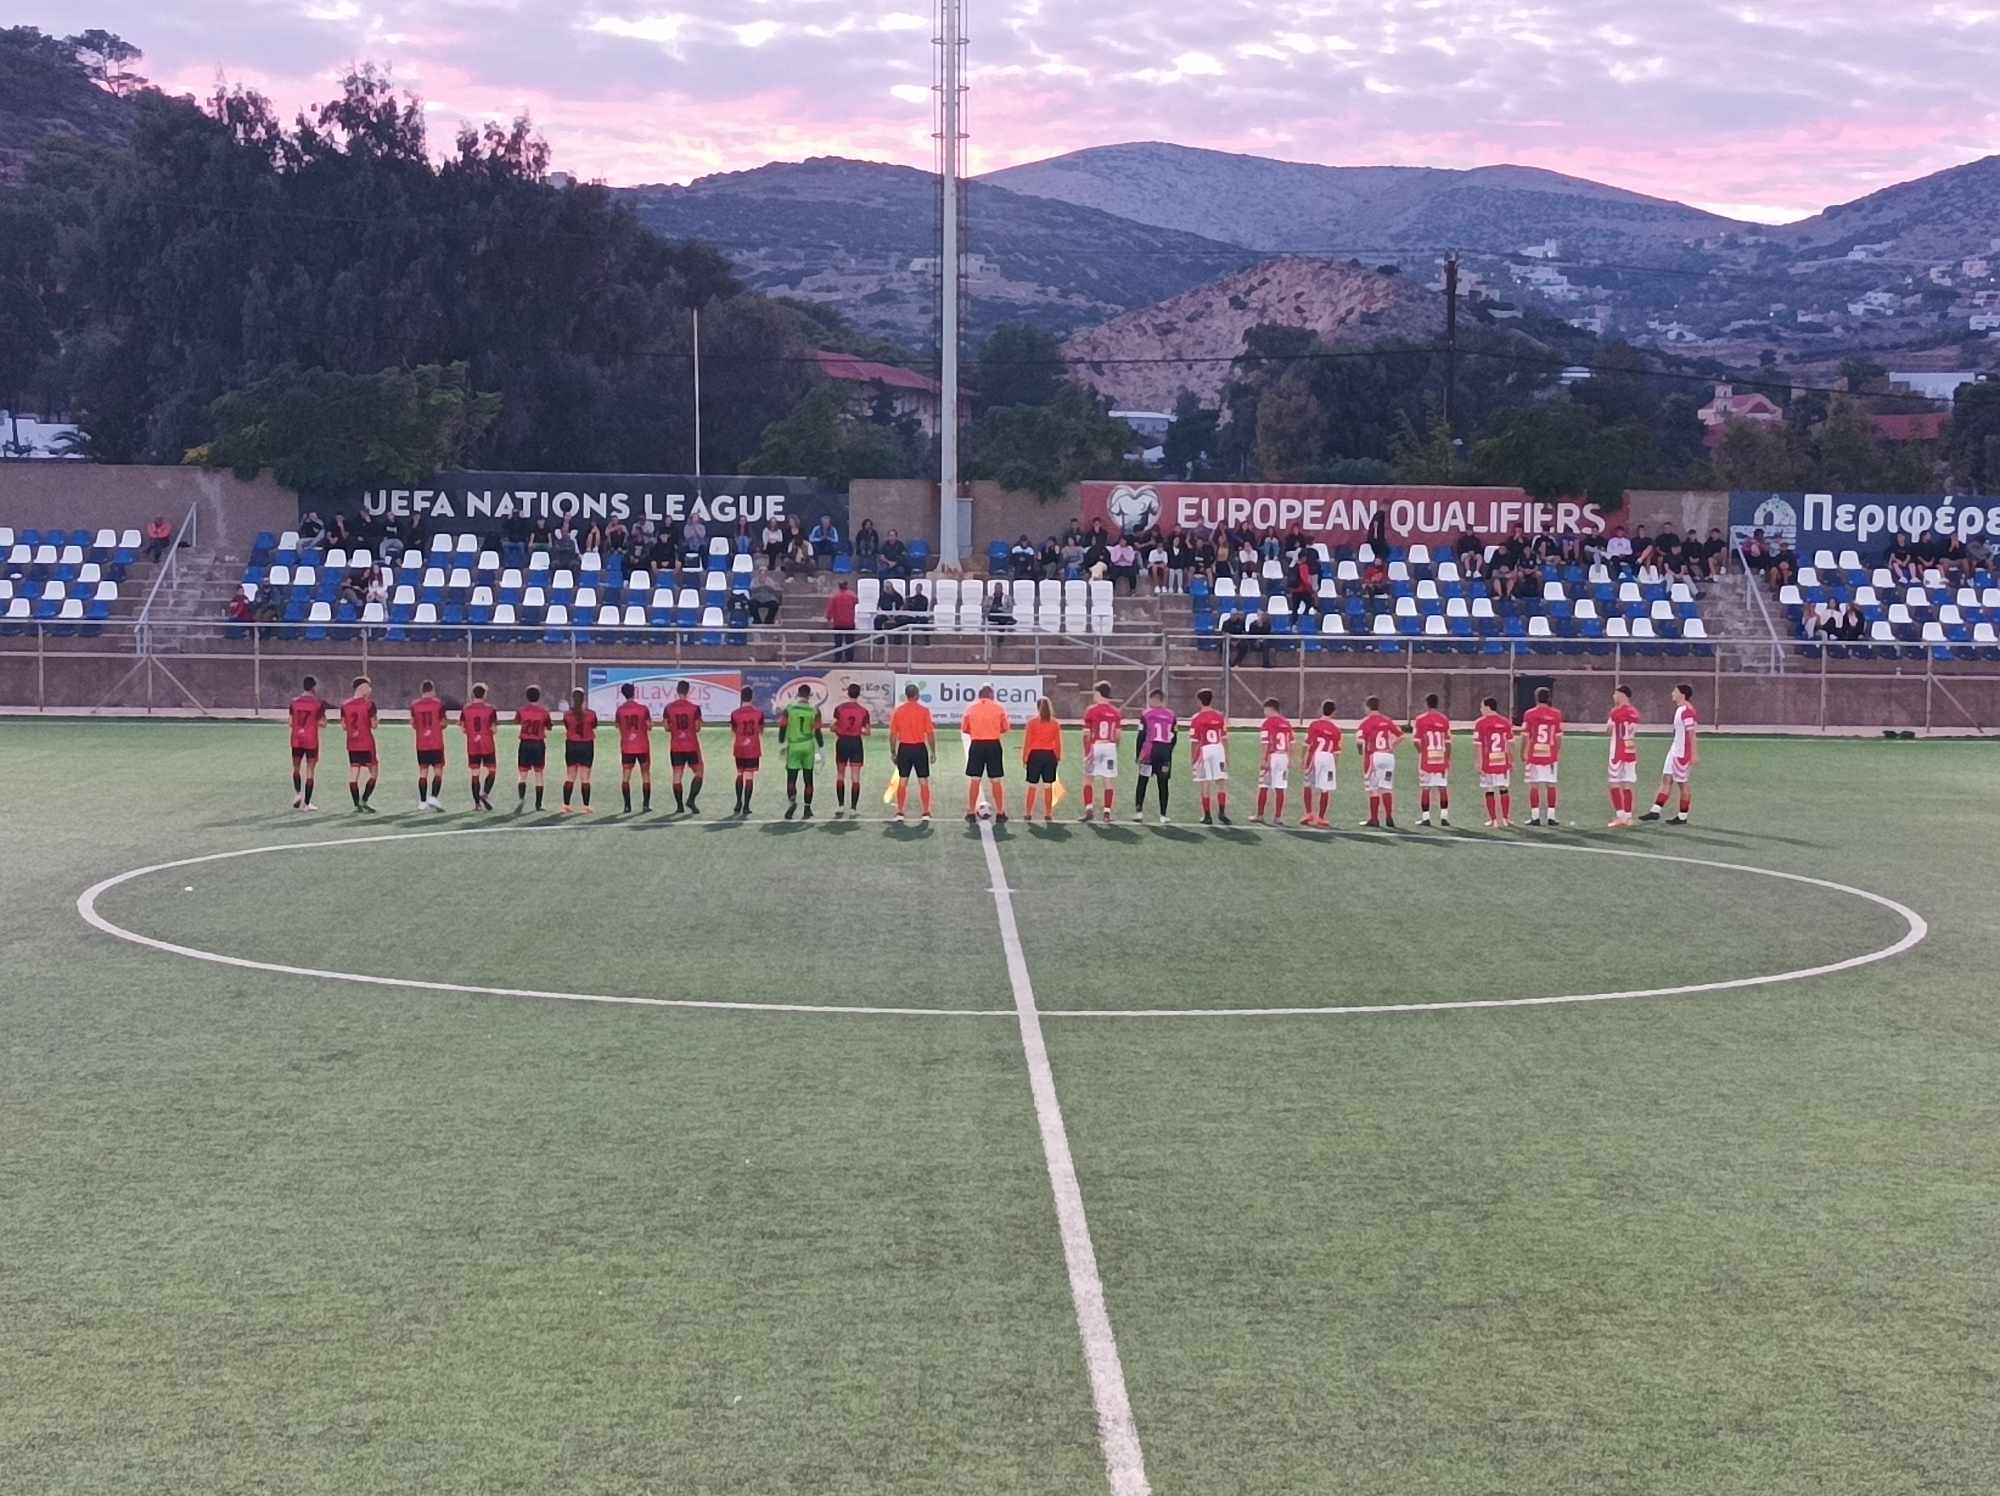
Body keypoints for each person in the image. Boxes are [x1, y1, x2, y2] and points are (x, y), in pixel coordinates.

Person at [1640, 683, 1698, 824]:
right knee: (1666, 779)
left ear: (1682, 694)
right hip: (1675, 750)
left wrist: (1693, 753)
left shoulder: (1687, 711)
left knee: (1682, 783)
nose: (1672, 693)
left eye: (1675, 691)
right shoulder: (1680, 709)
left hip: (1682, 753)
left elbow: (1691, 733)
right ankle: (1655, 811)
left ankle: (1682, 816)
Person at [960, 684, 1010, 823]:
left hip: (977, 745)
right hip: (993, 745)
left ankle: (971, 812)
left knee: (975, 779)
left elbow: (964, 728)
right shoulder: (999, 708)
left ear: (980, 695)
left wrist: (977, 731)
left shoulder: (971, 708)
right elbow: (1005, 728)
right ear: (991, 695)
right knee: (996, 780)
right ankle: (1000, 812)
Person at [889, 683, 937, 822]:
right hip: (919, 748)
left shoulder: (898, 711)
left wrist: (893, 752)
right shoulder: (924, 711)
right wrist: (933, 751)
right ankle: (926, 812)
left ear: (906, 695)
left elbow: (893, 734)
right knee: (923, 780)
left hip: (904, 748)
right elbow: (930, 733)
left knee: (903, 780)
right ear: (917, 695)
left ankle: (900, 812)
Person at [1131, 688, 1178, 824]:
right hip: (1164, 753)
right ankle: (1163, 815)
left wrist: (1138, 754)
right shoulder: (1171, 715)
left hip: (1149, 752)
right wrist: (1169, 751)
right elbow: (1174, 736)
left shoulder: (1146, 714)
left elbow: (1141, 735)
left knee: (1143, 781)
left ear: (1155, 699)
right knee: (1163, 784)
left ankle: (1139, 812)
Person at [1079, 682, 1124, 823]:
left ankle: (1089, 810)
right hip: (1110, 747)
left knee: (1088, 778)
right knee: (1108, 780)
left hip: (1096, 746)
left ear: (1098, 693)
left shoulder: (1091, 710)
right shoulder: (1116, 712)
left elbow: (1086, 734)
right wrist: (1114, 750)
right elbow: (1118, 735)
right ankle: (1107, 813)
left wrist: (1087, 752)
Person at [1356, 696, 1403, 829]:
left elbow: (1359, 741)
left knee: (1374, 789)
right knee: (1386, 788)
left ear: (1368, 707)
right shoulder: (1387, 720)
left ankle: (1374, 819)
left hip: (1374, 756)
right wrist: (1391, 747)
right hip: (1388, 757)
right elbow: (1401, 735)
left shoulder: (1366, 722)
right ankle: (1389, 816)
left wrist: (1360, 752)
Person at [1521, 686, 1565, 826]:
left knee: (1534, 785)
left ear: (1536, 698)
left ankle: (1535, 817)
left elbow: (1525, 735)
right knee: (1551, 785)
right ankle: (1551, 817)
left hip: (1534, 754)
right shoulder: (1556, 714)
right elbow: (1558, 737)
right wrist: (1557, 752)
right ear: (1549, 698)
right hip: (1550, 754)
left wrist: (1523, 751)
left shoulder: (1529, 714)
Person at [778, 684, 823, 820]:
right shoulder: (815, 710)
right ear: (809, 695)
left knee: (791, 778)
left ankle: (792, 801)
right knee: (808, 779)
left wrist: (781, 742)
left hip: (794, 746)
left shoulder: (789, 709)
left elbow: (782, 727)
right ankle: (807, 809)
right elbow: (818, 731)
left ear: (798, 694)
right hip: (808, 745)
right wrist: (821, 747)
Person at [1189, 688, 1231, 826]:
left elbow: (1194, 741)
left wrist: (1193, 759)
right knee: (1221, 782)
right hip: (1218, 749)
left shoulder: (1196, 718)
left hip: (1205, 750)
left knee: (1205, 783)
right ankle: (1222, 813)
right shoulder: (1219, 716)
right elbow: (1224, 738)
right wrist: (1226, 756)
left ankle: (1207, 816)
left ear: (1199, 701)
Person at [1411, 692, 1453, 829]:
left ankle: (1426, 818)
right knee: (1442, 787)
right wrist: (1447, 759)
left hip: (1427, 759)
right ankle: (1444, 817)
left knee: (1426, 788)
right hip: (1440, 758)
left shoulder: (1420, 719)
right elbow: (1448, 742)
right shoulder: (1444, 719)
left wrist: (1422, 752)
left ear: (1426, 704)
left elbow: (1415, 741)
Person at [664, 679, 705, 814]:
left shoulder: (669, 708)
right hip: (691, 745)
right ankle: (691, 800)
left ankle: (679, 806)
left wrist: (676, 730)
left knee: (677, 775)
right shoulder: (694, 708)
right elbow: (697, 728)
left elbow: (666, 727)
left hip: (676, 746)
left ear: (677, 691)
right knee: (699, 772)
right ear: (688, 691)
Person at [1473, 697, 1515, 828]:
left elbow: (1478, 746)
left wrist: (1478, 763)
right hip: (1502, 761)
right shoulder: (1506, 722)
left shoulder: (1480, 723)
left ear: (1487, 707)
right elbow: (1510, 744)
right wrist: (1511, 761)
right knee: (1504, 788)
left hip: (1488, 762)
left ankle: (1493, 820)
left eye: (1482, 707)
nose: (1480, 709)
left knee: (1489, 789)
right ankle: (1506, 819)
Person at [340, 676, 380, 813]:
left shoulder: (345, 705)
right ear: (362, 688)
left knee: (354, 773)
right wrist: (375, 721)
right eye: (368, 687)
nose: (370, 690)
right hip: (366, 743)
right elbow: (374, 725)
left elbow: (344, 726)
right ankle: (364, 800)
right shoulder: (369, 704)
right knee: (374, 773)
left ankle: (356, 804)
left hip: (352, 744)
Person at [288, 675, 328, 811]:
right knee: (310, 770)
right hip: (311, 740)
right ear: (313, 687)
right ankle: (307, 804)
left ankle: (298, 794)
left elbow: (290, 722)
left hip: (296, 739)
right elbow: (323, 723)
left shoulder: (294, 702)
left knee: (296, 767)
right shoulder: (318, 703)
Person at [1252, 698, 1294, 825]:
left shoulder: (1267, 723)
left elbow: (1266, 743)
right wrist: (1290, 759)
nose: (1264, 713)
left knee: (1264, 786)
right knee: (1280, 788)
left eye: (1265, 710)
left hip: (1272, 756)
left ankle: (1259, 815)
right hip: (1283, 757)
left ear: (1270, 709)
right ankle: (1278, 817)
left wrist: (1264, 760)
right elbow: (1291, 743)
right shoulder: (1287, 723)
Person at [831, 682, 871, 814]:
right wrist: (858, 729)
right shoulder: (864, 711)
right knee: (855, 777)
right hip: (855, 743)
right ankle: (853, 808)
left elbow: (833, 727)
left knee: (840, 774)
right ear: (859, 694)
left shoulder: (839, 708)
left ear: (848, 693)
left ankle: (840, 806)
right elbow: (867, 732)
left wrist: (840, 729)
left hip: (842, 742)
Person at [1605, 684, 1642, 829]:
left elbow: (1608, 730)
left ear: (1621, 695)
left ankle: (1620, 816)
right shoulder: (1634, 712)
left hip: (1617, 752)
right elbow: (1633, 729)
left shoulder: (1615, 711)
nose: (1613, 696)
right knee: (1628, 784)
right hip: (1630, 750)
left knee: (1614, 783)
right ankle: (1628, 817)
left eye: (1615, 694)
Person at [1302, 700, 1342, 829]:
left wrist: (1303, 759)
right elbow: (1336, 752)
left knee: (1308, 784)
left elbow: (1307, 744)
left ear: (1321, 709)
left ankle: (1308, 813)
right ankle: (1321, 817)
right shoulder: (1336, 730)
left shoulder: (1314, 725)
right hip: (1328, 758)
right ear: (1334, 712)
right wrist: (1334, 767)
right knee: (1325, 788)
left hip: (1314, 756)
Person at [1022, 698, 1063, 825]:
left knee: (1032, 785)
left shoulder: (1032, 723)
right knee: (1048, 786)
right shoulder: (1055, 723)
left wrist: (1024, 757)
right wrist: (1058, 756)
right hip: (1049, 755)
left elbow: (1027, 742)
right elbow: (1058, 743)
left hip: (1035, 755)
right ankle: (1048, 813)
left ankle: (1028, 813)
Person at [410, 679, 449, 812]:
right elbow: (443, 723)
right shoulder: (439, 704)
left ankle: (422, 802)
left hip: (422, 743)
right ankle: (433, 797)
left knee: (423, 772)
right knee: (438, 771)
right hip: (436, 742)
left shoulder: (414, 705)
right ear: (432, 690)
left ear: (422, 690)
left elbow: (413, 724)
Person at [614, 682, 654, 814]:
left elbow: (618, 726)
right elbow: (649, 726)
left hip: (627, 746)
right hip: (642, 746)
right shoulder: (643, 709)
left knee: (626, 776)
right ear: (634, 692)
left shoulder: (620, 710)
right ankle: (646, 805)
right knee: (645, 774)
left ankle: (627, 806)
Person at [461, 683, 500, 811]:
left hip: (473, 745)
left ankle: (477, 804)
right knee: (492, 770)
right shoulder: (490, 709)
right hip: (487, 744)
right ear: (484, 694)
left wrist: (472, 733)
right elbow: (494, 729)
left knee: (475, 773)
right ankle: (485, 793)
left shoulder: (466, 709)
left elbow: (463, 728)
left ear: (473, 694)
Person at [560, 687, 598, 813]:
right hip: (586, 745)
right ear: (583, 699)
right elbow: (594, 725)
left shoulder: (567, 714)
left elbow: (567, 726)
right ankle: (585, 807)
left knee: (570, 776)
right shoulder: (591, 714)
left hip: (571, 744)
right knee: (585, 777)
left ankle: (565, 805)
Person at [729, 686, 765, 816]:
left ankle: (738, 802)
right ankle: (746, 806)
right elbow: (761, 731)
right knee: (749, 776)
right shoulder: (759, 713)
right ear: (752, 697)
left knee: (739, 774)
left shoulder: (734, 714)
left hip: (739, 747)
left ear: (741, 697)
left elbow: (733, 730)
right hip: (753, 748)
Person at [515, 685, 552, 812]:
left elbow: (517, 721)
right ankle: (538, 804)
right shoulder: (544, 711)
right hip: (538, 744)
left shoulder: (522, 710)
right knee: (539, 774)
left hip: (525, 743)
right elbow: (549, 726)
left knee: (522, 774)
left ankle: (521, 799)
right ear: (539, 696)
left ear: (527, 697)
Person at [826, 581, 859, 662]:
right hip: (850, 623)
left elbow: (830, 609)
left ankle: (837, 658)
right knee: (850, 642)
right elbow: (857, 604)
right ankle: (849, 659)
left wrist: (828, 618)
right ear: (847, 585)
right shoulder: (852, 595)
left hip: (838, 623)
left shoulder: (835, 596)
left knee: (838, 643)